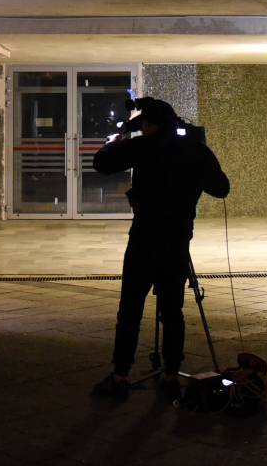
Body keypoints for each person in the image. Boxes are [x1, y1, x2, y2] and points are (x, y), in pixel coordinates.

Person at [91, 97, 229, 400]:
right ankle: (169, 375)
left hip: (144, 238)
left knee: (130, 310)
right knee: (172, 311)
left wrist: (121, 137)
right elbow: (221, 188)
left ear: (149, 125)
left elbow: (101, 163)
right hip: (178, 240)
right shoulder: (193, 147)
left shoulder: (144, 146)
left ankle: (120, 376)